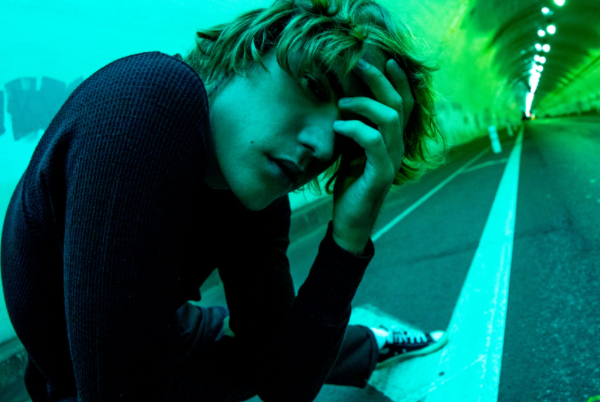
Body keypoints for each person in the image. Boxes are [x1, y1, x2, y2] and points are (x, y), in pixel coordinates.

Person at [1, 0, 449, 401]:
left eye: (344, 135)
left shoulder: (252, 189)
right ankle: (367, 342)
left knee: (275, 343)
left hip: (165, 327)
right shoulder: (150, 98)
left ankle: (369, 341)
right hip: (79, 371)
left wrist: (349, 236)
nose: (321, 147)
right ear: (248, 52)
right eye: (314, 85)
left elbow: (285, 383)